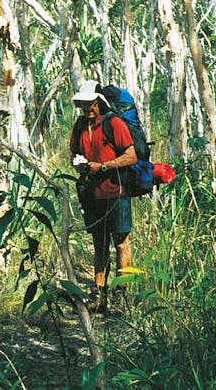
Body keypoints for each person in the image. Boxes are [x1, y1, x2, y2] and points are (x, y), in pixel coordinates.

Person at [69, 79, 138, 313]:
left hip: (116, 191)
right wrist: (80, 166)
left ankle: (121, 294)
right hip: (91, 194)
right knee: (99, 244)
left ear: (99, 103)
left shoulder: (114, 124)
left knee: (121, 243)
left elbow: (131, 156)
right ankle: (99, 294)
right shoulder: (79, 126)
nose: (86, 108)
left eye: (89, 103)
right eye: (82, 104)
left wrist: (104, 167)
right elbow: (73, 154)